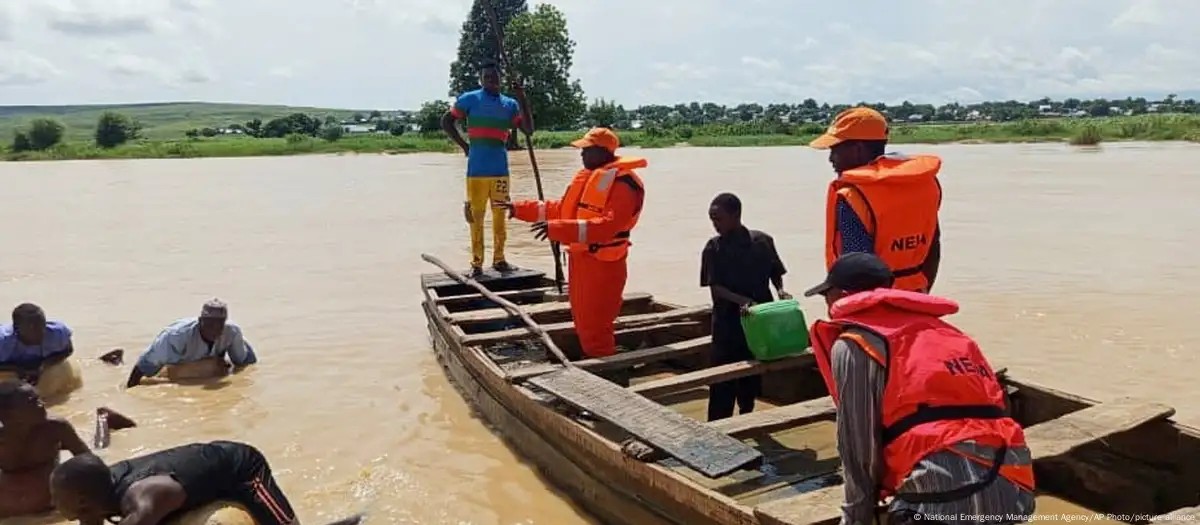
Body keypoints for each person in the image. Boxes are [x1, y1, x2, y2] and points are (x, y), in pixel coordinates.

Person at [803, 252, 1035, 525]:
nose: (827, 304)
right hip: (1013, 489)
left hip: (941, 497)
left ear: (841, 296)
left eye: (826, 296)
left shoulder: (854, 344)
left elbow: (857, 445)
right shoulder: (950, 334)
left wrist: (856, 517)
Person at [495, 127, 646, 359]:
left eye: (586, 149)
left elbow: (606, 226)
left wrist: (557, 229)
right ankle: (597, 359)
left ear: (602, 151)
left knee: (596, 322)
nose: (581, 154)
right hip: (582, 260)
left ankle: (606, 370)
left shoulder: (623, 184)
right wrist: (519, 208)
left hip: (603, 264)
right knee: (583, 318)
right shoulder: (590, 178)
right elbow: (561, 209)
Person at [49, 441, 362, 525]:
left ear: (80, 499)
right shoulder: (97, 490)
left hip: (239, 468)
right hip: (195, 471)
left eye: (56, 496)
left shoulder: (143, 501)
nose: (52, 501)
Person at [809, 107, 942, 292]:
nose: (831, 159)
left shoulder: (852, 195)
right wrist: (923, 294)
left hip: (872, 304)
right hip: (916, 293)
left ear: (857, 149)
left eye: (835, 150)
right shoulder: (924, 184)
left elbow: (857, 269)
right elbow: (933, 247)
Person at [700, 193, 789, 421]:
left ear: (735, 216)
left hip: (758, 321)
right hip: (728, 323)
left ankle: (747, 415)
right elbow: (716, 288)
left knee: (751, 374)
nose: (715, 224)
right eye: (712, 219)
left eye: (719, 219)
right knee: (722, 377)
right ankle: (719, 425)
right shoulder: (713, 248)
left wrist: (780, 291)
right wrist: (741, 301)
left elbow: (775, 272)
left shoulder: (762, 241)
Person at [442, 60, 533, 276]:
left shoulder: (509, 104)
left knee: (501, 216)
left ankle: (499, 259)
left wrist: (522, 98)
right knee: (476, 217)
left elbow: (528, 130)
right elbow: (446, 121)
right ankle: (476, 264)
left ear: (500, 78)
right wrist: (464, 145)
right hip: (476, 172)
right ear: (481, 79)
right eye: (487, 77)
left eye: (495, 77)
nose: (491, 81)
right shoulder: (469, 99)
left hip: (500, 170)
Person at [0, 381, 134, 518]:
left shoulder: (55, 427)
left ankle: (104, 419)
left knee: (101, 448)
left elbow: (89, 461)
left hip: (46, 485)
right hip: (19, 488)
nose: (41, 405)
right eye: (32, 402)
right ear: (8, 415)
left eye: (39, 399)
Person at [126, 299, 257, 388]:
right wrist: (130, 388)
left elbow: (244, 362)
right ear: (200, 320)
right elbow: (143, 366)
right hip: (178, 364)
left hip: (210, 362)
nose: (214, 329)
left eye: (219, 324)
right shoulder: (175, 336)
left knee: (227, 366)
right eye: (209, 323)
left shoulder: (231, 332)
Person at [0, 303, 75, 386]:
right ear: (16, 329)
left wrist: (45, 365)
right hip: (9, 364)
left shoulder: (57, 333)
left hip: (42, 362)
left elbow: (68, 349)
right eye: (32, 328)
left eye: (42, 325)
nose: (40, 332)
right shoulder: (3, 342)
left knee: (62, 370)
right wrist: (18, 370)